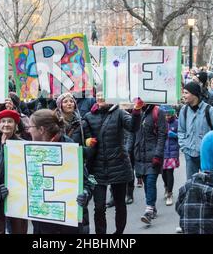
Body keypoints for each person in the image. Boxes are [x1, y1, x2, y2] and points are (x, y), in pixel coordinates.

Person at [82, 92, 143, 234]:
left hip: (119, 166)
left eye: (104, 95)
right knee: (99, 207)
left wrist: (137, 110)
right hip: (96, 169)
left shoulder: (120, 113)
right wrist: (87, 141)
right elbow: (84, 136)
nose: (100, 98)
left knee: (120, 204)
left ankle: (119, 232)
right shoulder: (88, 117)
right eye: (97, 95)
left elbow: (133, 127)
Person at [27, 109, 94, 234]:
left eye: (31, 127)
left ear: (41, 130)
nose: (28, 130)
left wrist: (85, 193)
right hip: (43, 222)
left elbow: (89, 180)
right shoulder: (31, 150)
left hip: (68, 223)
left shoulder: (68, 148)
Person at [0, 109, 28, 234]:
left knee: (19, 231)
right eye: (3, 121)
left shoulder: (23, 145)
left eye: (10, 121)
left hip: (17, 196)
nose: (6, 124)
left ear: (15, 125)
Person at [127, 104, 166, 225]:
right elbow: (132, 133)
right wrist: (129, 152)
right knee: (146, 182)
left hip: (153, 155)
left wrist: (158, 154)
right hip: (139, 155)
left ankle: (148, 210)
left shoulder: (157, 111)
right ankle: (152, 206)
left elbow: (162, 134)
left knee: (150, 181)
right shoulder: (136, 112)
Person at [178, 82, 213, 180]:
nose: (184, 95)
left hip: (207, 156)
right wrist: (184, 146)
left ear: (194, 94)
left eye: (186, 93)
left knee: (208, 185)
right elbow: (181, 130)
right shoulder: (184, 110)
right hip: (189, 154)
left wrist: (212, 151)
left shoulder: (210, 111)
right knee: (191, 186)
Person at [162, 106, 180, 207]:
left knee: (169, 172)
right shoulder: (161, 123)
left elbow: (181, 135)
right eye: (165, 115)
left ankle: (169, 193)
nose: (167, 117)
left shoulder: (176, 123)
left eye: (169, 115)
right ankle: (166, 186)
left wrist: (174, 135)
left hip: (172, 152)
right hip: (162, 151)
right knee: (163, 173)